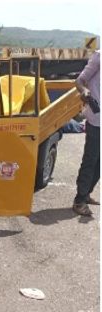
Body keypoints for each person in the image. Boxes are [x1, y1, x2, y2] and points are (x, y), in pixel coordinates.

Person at [72, 50, 100, 217]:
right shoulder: (99, 56)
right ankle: (79, 201)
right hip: (97, 119)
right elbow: (80, 81)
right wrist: (84, 91)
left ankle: (87, 193)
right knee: (91, 159)